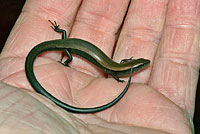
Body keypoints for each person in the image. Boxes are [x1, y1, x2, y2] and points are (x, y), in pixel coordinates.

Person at [0, 0, 197, 133]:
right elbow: (115, 70)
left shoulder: (118, 68)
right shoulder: (115, 70)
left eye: (139, 66)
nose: (142, 66)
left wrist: (122, 71)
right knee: (68, 54)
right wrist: (67, 63)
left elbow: (118, 67)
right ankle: (66, 57)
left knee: (67, 43)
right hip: (67, 47)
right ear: (133, 70)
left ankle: (62, 43)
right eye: (139, 66)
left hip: (68, 44)